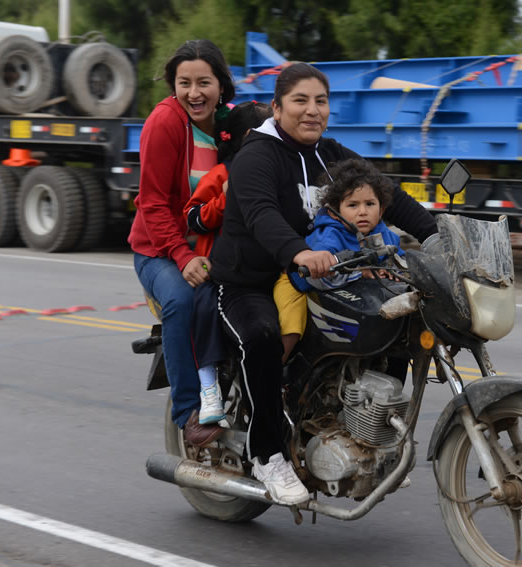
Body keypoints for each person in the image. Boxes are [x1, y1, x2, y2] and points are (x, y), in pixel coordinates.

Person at [207, 62, 437, 505]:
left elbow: (386, 194)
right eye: (300, 101)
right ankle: (267, 454)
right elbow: (260, 215)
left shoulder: (329, 154)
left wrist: (437, 235)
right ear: (277, 107)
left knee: (396, 323)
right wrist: (298, 251)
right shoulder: (258, 155)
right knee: (263, 336)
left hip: (322, 279)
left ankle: (369, 434)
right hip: (247, 282)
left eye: (321, 101)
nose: (312, 110)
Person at [128, 39, 235, 446]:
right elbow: (152, 203)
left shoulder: (232, 124)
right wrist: (181, 254)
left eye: (203, 82)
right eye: (183, 82)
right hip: (160, 250)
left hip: (214, 248)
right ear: (173, 85)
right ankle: (189, 412)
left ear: (220, 85)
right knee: (182, 302)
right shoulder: (165, 123)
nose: (194, 93)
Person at [183, 101, 273, 424]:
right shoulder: (221, 174)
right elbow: (192, 217)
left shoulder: (274, 169)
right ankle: (208, 385)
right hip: (219, 268)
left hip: (264, 268)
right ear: (249, 136)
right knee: (205, 306)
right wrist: (225, 200)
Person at [288, 158, 403, 293]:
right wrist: (361, 273)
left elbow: (401, 261)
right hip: (303, 290)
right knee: (292, 313)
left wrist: (391, 270)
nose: (363, 212)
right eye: (353, 205)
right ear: (334, 212)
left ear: (381, 210)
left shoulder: (386, 235)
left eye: (370, 204)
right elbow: (320, 279)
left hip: (359, 294)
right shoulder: (328, 239)